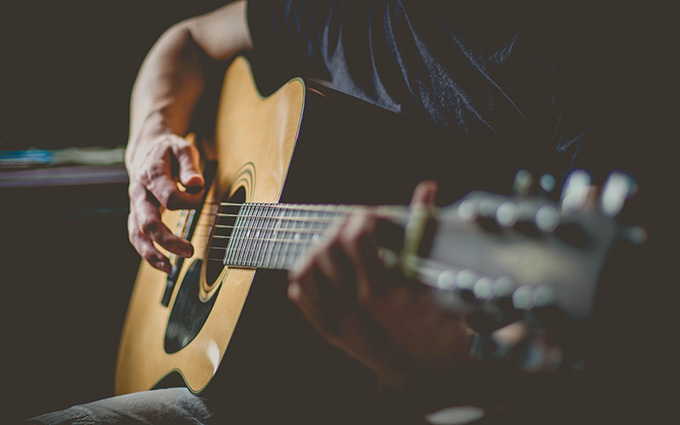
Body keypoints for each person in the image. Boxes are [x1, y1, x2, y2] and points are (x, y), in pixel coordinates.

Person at [29, 1, 665, 424]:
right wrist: (150, 140)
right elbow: (187, 39)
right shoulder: (336, 12)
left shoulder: (586, 55)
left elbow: (620, 352)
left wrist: (441, 373)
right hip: (262, 376)